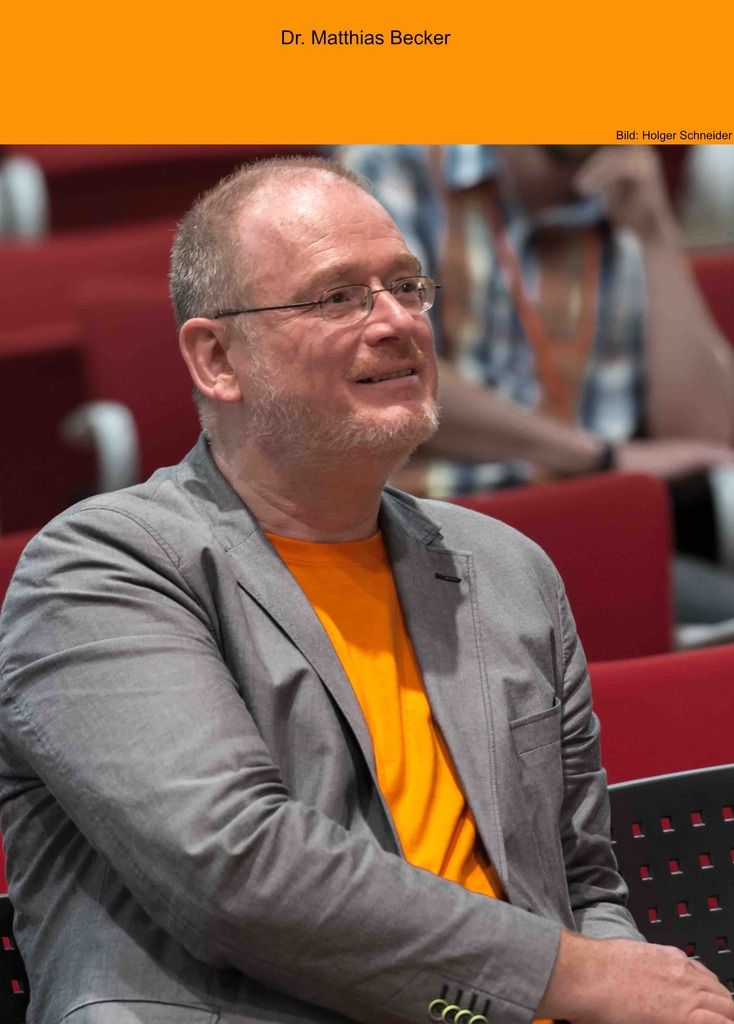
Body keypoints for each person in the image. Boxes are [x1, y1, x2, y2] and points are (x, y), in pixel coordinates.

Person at [1, 157, 732, 1024]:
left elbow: (581, 883)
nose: (396, 321)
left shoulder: (506, 568)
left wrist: (636, 992)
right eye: (338, 297)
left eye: (407, 286)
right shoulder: (100, 570)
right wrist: (578, 980)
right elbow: (239, 870)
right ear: (216, 358)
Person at [340, 145, 734, 624]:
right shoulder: (393, 164)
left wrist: (656, 234)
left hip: (596, 532)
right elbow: (386, 374)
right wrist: (596, 456)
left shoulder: (624, 197)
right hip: (437, 532)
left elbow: (708, 441)